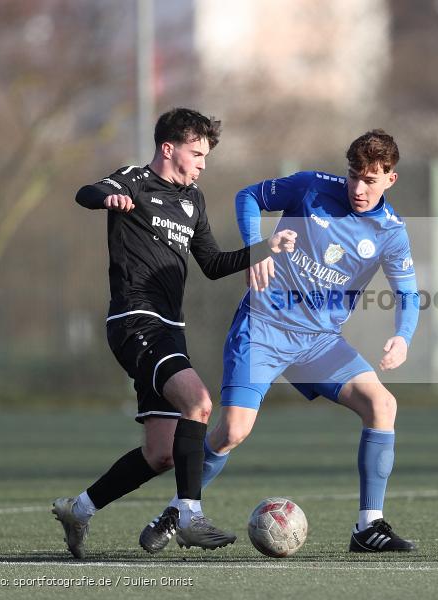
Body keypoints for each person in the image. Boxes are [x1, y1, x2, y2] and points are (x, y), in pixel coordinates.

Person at [145, 129, 420, 553]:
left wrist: (402, 338)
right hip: (265, 327)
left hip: (319, 342)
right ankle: (180, 509)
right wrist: (257, 249)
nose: (359, 188)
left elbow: (407, 294)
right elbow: (248, 197)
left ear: (390, 180)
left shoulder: (390, 232)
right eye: (353, 176)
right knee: (233, 430)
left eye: (370, 179)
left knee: (382, 405)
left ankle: (368, 526)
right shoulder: (310, 186)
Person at [52, 107, 288, 558]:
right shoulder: (134, 180)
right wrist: (108, 199)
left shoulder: (193, 201)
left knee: (161, 452)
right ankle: (189, 514)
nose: (202, 162)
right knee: (199, 403)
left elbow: (214, 265)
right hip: (134, 320)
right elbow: (87, 192)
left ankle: (78, 509)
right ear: (168, 148)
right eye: (196, 153)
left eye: (205, 155)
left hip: (170, 329)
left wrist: (263, 249)